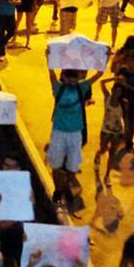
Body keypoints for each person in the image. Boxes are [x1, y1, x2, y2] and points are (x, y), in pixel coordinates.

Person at [45, 64, 102, 208]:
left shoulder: (81, 87)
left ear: (78, 78)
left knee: (73, 166)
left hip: (75, 133)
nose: (71, 81)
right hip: (59, 131)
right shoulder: (58, 88)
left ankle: (65, 186)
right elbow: (51, 73)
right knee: (56, 165)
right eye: (68, 78)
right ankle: (59, 190)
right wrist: (49, 58)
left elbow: (99, 74)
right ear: (63, 77)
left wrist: (105, 58)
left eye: (74, 78)